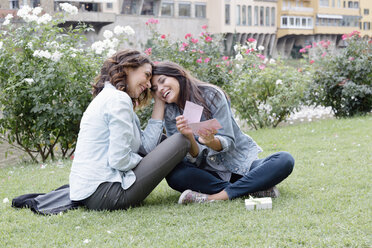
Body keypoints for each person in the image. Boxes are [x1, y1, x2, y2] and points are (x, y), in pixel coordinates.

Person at [151, 61, 294, 204]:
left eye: (163, 81)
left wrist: (211, 141)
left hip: (240, 167)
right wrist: (189, 136)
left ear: (178, 75)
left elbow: (229, 141)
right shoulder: (170, 112)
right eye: (155, 88)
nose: (160, 89)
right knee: (175, 175)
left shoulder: (211, 94)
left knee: (284, 160)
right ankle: (255, 189)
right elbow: (193, 159)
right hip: (209, 174)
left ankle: (215, 197)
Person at [69, 50, 190, 211]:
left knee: (161, 140)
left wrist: (159, 101)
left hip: (89, 194)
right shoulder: (119, 99)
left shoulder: (110, 96)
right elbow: (119, 160)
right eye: (146, 75)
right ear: (128, 68)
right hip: (107, 193)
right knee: (181, 140)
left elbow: (146, 146)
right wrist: (142, 160)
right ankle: (210, 186)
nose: (148, 85)